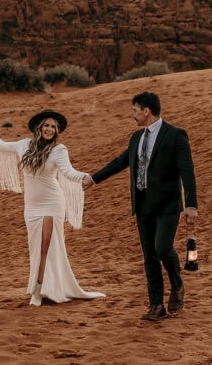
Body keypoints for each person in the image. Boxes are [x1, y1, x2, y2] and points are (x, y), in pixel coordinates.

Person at [0, 109, 105, 306]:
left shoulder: (59, 150)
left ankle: (38, 291)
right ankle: (44, 287)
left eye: (53, 127)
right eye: (46, 125)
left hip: (52, 203)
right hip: (31, 206)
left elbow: (68, 171)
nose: (49, 129)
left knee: (45, 247)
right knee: (35, 248)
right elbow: (0, 146)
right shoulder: (23, 144)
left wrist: (86, 177)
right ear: (38, 127)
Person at [82, 92, 198, 321]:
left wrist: (191, 205)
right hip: (143, 204)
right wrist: (93, 179)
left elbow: (187, 170)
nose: (133, 115)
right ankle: (156, 305)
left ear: (146, 111)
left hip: (167, 205)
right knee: (149, 256)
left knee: (162, 248)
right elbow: (120, 162)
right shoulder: (136, 138)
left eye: (135, 111)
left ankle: (177, 284)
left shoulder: (175, 135)